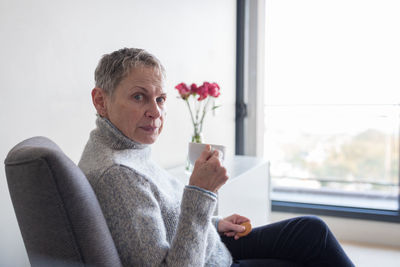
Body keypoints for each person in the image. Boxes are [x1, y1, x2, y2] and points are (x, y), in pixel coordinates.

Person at [79, 47, 354, 267]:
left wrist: (215, 222)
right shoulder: (119, 175)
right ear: (100, 101)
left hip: (211, 248)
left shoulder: (127, 149)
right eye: (139, 97)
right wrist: (201, 192)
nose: (156, 112)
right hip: (209, 260)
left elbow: (167, 219)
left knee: (310, 230)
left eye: (160, 99)